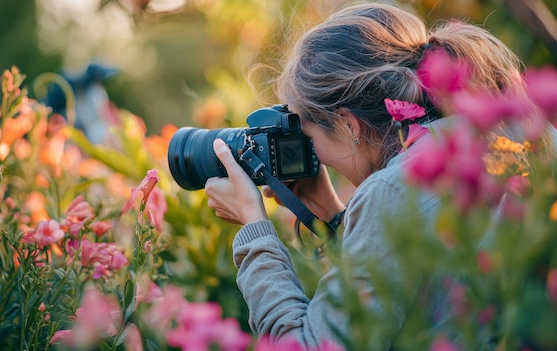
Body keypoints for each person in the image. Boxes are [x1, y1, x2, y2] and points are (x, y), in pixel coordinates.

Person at [204, 2, 549, 350]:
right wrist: (333, 215)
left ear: (348, 124)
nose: (312, 155)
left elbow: (309, 346)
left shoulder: (391, 192)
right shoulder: (510, 134)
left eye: (308, 138)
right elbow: (417, 287)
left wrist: (254, 231)